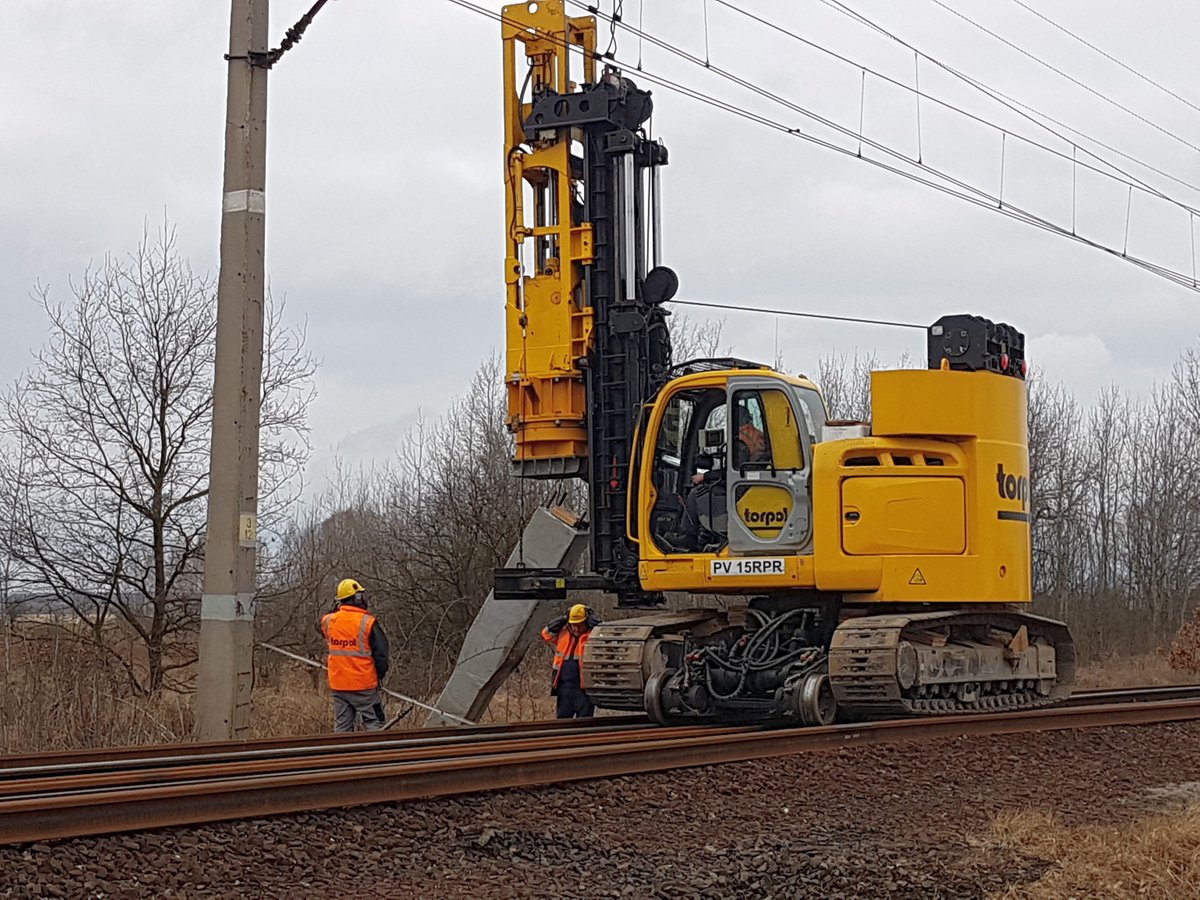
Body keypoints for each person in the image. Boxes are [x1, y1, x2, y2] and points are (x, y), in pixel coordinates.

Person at [320, 578, 390, 733]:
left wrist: (337, 607)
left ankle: (342, 756)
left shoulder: (328, 621)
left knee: (342, 730)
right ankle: (377, 755)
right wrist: (379, 676)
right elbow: (382, 656)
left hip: (339, 686)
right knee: (375, 724)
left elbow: (323, 624)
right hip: (364, 686)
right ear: (358, 598)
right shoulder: (368, 622)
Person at [541, 603, 597, 719]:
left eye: (579, 625)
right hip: (564, 688)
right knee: (563, 721)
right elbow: (546, 633)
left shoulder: (592, 636)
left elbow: (606, 637)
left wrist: (597, 625)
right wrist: (563, 619)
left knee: (584, 722)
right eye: (573, 625)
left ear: (586, 623)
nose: (576, 628)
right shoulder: (564, 634)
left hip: (583, 689)